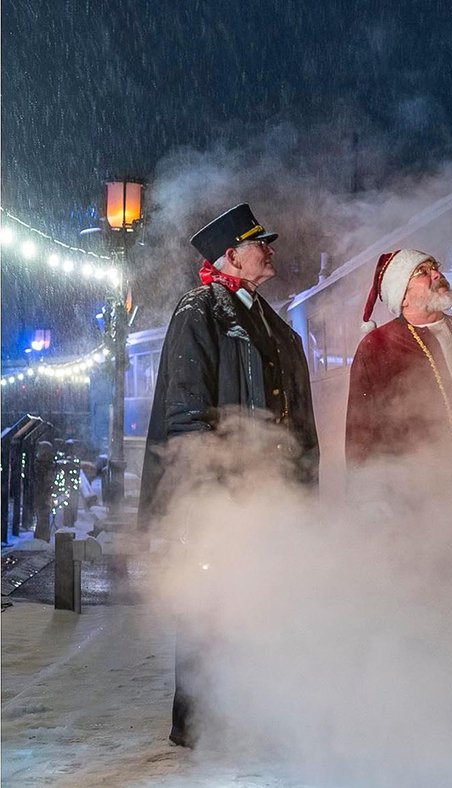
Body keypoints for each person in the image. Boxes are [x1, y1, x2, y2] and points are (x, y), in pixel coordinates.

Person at [137, 203, 319, 748]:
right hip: (222, 494)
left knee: (260, 604)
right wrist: (204, 500)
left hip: (270, 495)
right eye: (259, 242)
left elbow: (299, 421)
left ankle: (250, 712)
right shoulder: (200, 312)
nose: (270, 249)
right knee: (211, 609)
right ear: (231, 255)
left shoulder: (268, 320)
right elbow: (186, 415)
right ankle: (198, 727)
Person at [346, 249, 452, 463]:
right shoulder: (377, 346)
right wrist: (368, 494)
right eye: (422, 272)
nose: (437, 275)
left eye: (435, 268)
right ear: (402, 296)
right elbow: (361, 433)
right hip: (419, 488)